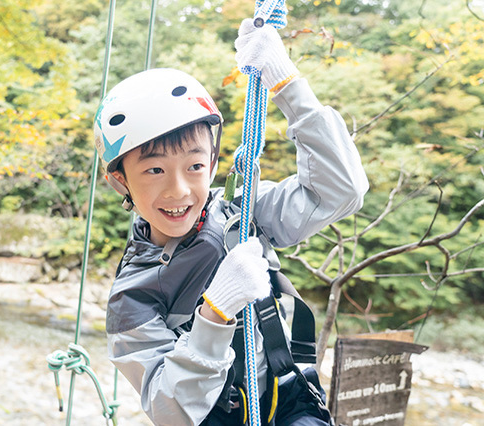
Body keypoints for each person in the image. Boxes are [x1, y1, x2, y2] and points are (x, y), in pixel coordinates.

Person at [94, 18, 369, 426]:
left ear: (214, 164)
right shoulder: (132, 297)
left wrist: (287, 83)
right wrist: (214, 314)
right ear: (120, 180)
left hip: (287, 405)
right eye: (154, 171)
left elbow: (341, 191)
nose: (179, 190)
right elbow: (170, 411)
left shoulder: (241, 214)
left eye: (194, 166)